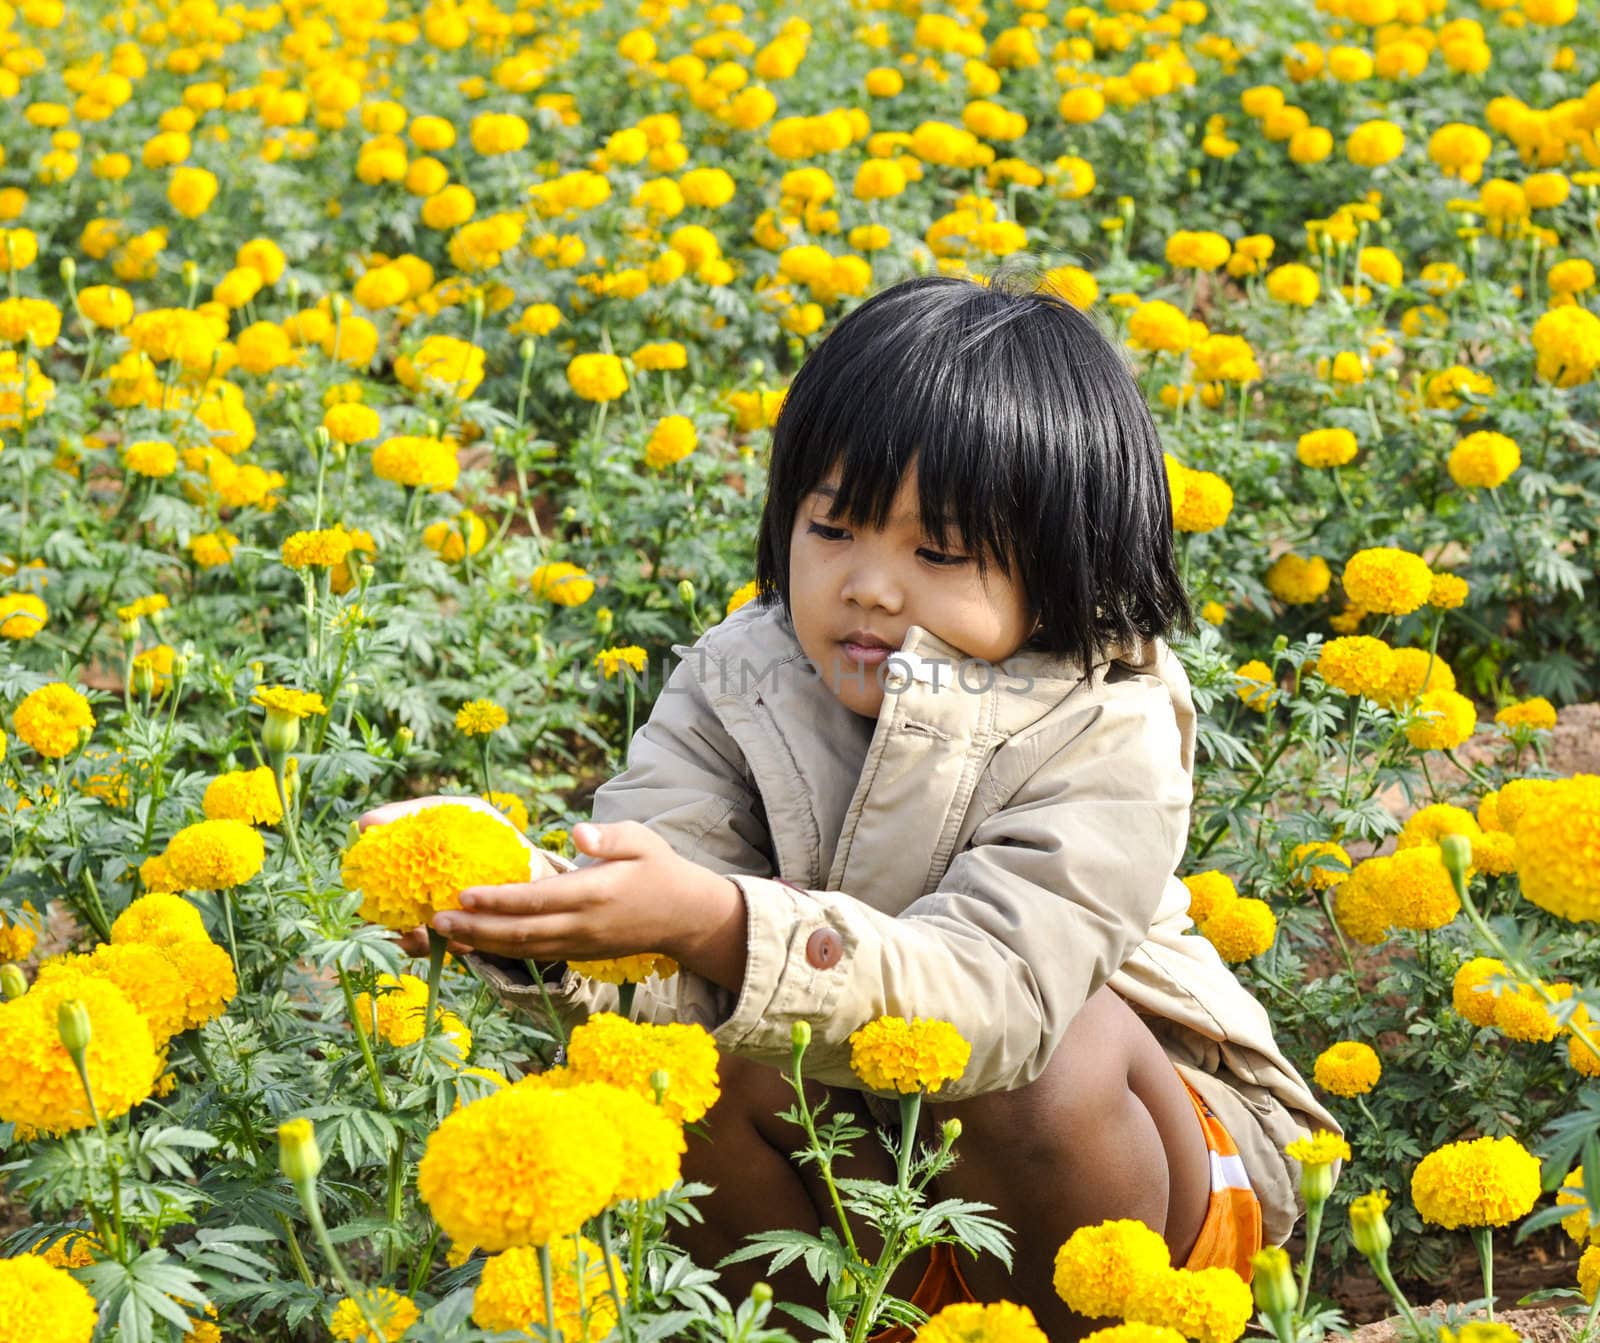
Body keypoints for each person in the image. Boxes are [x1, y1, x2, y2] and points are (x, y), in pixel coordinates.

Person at [363, 268, 1339, 1338]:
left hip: (1151, 1191)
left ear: (1065, 568)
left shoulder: (1107, 722)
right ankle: (836, 1324)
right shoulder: (739, 677)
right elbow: (646, 914)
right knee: (675, 1058)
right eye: (835, 529)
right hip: (872, 1195)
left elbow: (996, 998)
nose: (869, 584)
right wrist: (526, 909)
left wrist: (723, 920)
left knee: (1051, 1048)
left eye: (937, 551)